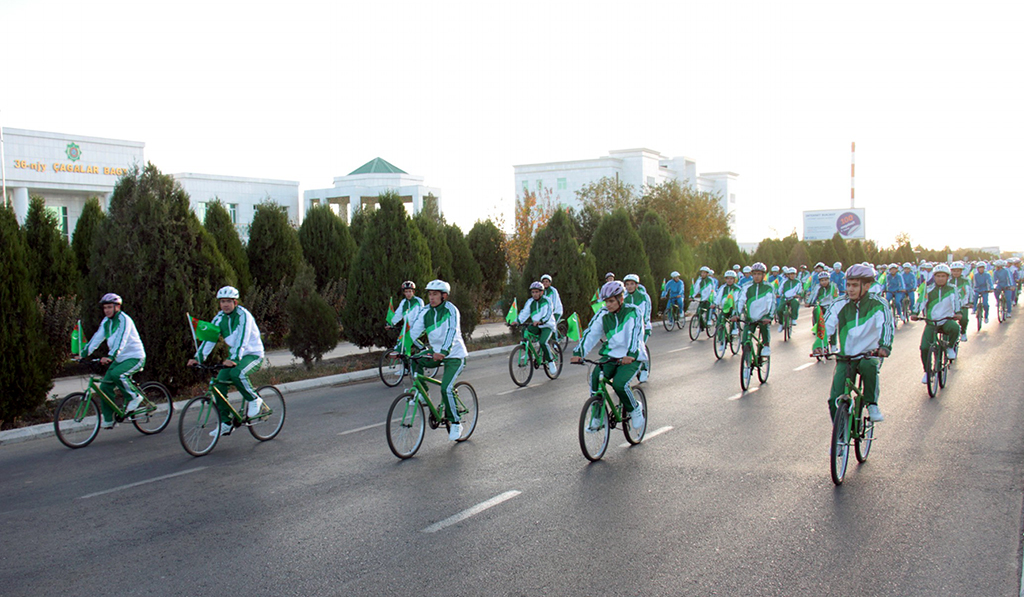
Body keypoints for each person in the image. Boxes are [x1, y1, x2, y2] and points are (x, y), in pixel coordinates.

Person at [815, 264, 893, 422]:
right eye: (848, 285)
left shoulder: (879, 304)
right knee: (834, 401)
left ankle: (872, 404)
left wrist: (884, 346)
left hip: (869, 354)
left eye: (855, 285)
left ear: (867, 286)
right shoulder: (839, 303)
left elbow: (886, 325)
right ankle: (841, 439)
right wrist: (819, 345)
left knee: (870, 366)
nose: (850, 289)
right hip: (846, 357)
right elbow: (825, 326)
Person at [188, 286, 266, 437]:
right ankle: (226, 423)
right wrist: (198, 358)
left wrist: (234, 358)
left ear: (235, 302)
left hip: (252, 354)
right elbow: (210, 339)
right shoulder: (219, 318)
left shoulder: (244, 316)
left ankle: (254, 399)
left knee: (238, 373)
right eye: (222, 301)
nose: (225, 304)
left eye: (229, 301)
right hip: (234, 356)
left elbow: (242, 338)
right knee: (218, 385)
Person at [570, 281, 647, 431]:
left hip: (632, 356)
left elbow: (636, 335)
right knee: (595, 377)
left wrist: (631, 354)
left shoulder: (634, 311)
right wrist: (578, 353)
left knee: (619, 384)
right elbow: (591, 333)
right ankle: (597, 417)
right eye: (606, 301)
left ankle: (635, 408)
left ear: (621, 299)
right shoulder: (603, 314)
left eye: (611, 301)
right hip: (611, 355)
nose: (608, 305)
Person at [407, 279, 469, 441]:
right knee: (415, 359)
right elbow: (414, 331)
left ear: (444, 296)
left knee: (445, 389)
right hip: (435, 352)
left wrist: (443, 351)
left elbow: (452, 332)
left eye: (435, 294)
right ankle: (423, 391)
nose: (431, 297)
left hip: (454, 355)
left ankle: (456, 423)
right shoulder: (425, 311)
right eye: (429, 294)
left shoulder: (451, 310)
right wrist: (400, 348)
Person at [80, 293, 146, 429]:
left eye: (110, 307)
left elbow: (121, 340)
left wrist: (110, 356)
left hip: (134, 357)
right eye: (105, 308)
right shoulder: (106, 321)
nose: (107, 310)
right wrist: (82, 354)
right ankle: (109, 420)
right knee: (104, 387)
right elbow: (97, 338)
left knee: (118, 375)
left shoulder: (124, 320)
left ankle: (135, 396)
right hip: (119, 358)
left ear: (118, 307)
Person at [911, 264, 962, 383]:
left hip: (946, 320)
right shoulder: (928, 289)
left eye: (943, 276)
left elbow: (956, 301)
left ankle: (950, 347)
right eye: (938, 276)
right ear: (934, 277)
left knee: (955, 328)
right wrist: (914, 313)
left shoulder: (952, 288)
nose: (940, 278)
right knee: (924, 347)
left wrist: (958, 312)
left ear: (947, 277)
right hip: (931, 323)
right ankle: (927, 372)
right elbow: (920, 302)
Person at [734, 262, 776, 357]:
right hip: (750, 317)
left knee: (765, 328)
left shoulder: (768, 287)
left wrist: (769, 316)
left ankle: (766, 345)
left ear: (763, 275)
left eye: (759, 274)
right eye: (755, 274)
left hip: (763, 317)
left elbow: (772, 302)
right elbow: (740, 301)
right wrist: (737, 314)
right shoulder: (746, 286)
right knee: (745, 342)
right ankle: (747, 362)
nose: (756, 276)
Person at [516, 281, 558, 375]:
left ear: (541, 292)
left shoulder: (547, 300)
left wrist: (542, 320)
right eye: (533, 292)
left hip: (547, 325)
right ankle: (527, 352)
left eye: (536, 292)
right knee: (525, 330)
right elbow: (524, 312)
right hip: (536, 325)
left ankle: (551, 362)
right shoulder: (530, 302)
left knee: (543, 342)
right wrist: (517, 321)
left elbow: (548, 313)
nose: (534, 294)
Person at [624, 274, 652, 382]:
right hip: (630, 329)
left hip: (643, 327)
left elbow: (647, 311)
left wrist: (643, 322)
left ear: (636, 285)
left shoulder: (644, 296)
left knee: (640, 347)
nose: (629, 286)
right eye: (627, 284)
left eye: (632, 284)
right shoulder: (625, 298)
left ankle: (645, 369)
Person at [807, 271, 841, 351]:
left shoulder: (833, 286)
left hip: (830, 307)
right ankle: (820, 340)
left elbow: (836, 297)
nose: (824, 282)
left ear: (829, 280)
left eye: (826, 280)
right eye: (822, 280)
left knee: (832, 325)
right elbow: (813, 295)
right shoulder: (817, 287)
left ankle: (833, 345)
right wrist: (809, 303)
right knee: (816, 314)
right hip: (821, 306)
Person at [389, 281, 425, 346]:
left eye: (410, 291)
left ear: (413, 292)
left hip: (419, 326)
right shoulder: (403, 302)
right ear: (404, 293)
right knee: (400, 340)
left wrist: (415, 325)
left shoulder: (418, 301)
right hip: (407, 328)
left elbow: (421, 315)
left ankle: (423, 349)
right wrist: (391, 323)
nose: (408, 294)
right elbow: (398, 314)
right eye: (406, 292)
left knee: (410, 336)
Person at [716, 270, 742, 337]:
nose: (729, 280)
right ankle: (721, 340)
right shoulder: (723, 287)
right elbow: (718, 297)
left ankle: (734, 329)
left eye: (731, 278)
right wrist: (715, 303)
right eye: (727, 278)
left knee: (734, 318)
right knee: (720, 321)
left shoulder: (737, 289)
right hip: (725, 308)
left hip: (733, 309)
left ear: (734, 279)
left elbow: (737, 299)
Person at [777, 267, 804, 332]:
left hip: (793, 298)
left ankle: (793, 319)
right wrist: (778, 294)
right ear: (788, 275)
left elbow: (800, 290)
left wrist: (799, 295)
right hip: (785, 298)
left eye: (794, 274)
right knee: (779, 310)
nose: (792, 275)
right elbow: (780, 289)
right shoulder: (784, 281)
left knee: (796, 303)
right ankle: (781, 323)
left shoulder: (798, 282)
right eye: (791, 274)